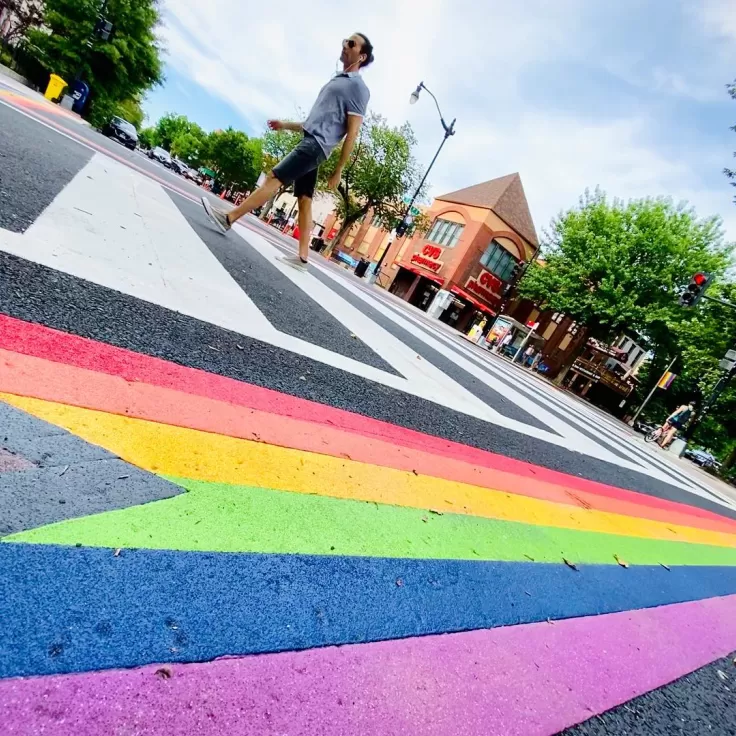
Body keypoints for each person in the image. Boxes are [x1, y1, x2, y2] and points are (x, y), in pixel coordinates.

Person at [201, 33, 374, 272]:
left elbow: (352, 133)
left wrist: (339, 170)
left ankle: (228, 218)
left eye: (352, 44)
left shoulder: (358, 88)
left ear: (361, 56)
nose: (345, 44)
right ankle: (303, 258)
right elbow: (310, 122)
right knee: (305, 200)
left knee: (273, 177)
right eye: (345, 40)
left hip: (316, 146)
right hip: (311, 140)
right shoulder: (338, 80)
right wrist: (284, 125)